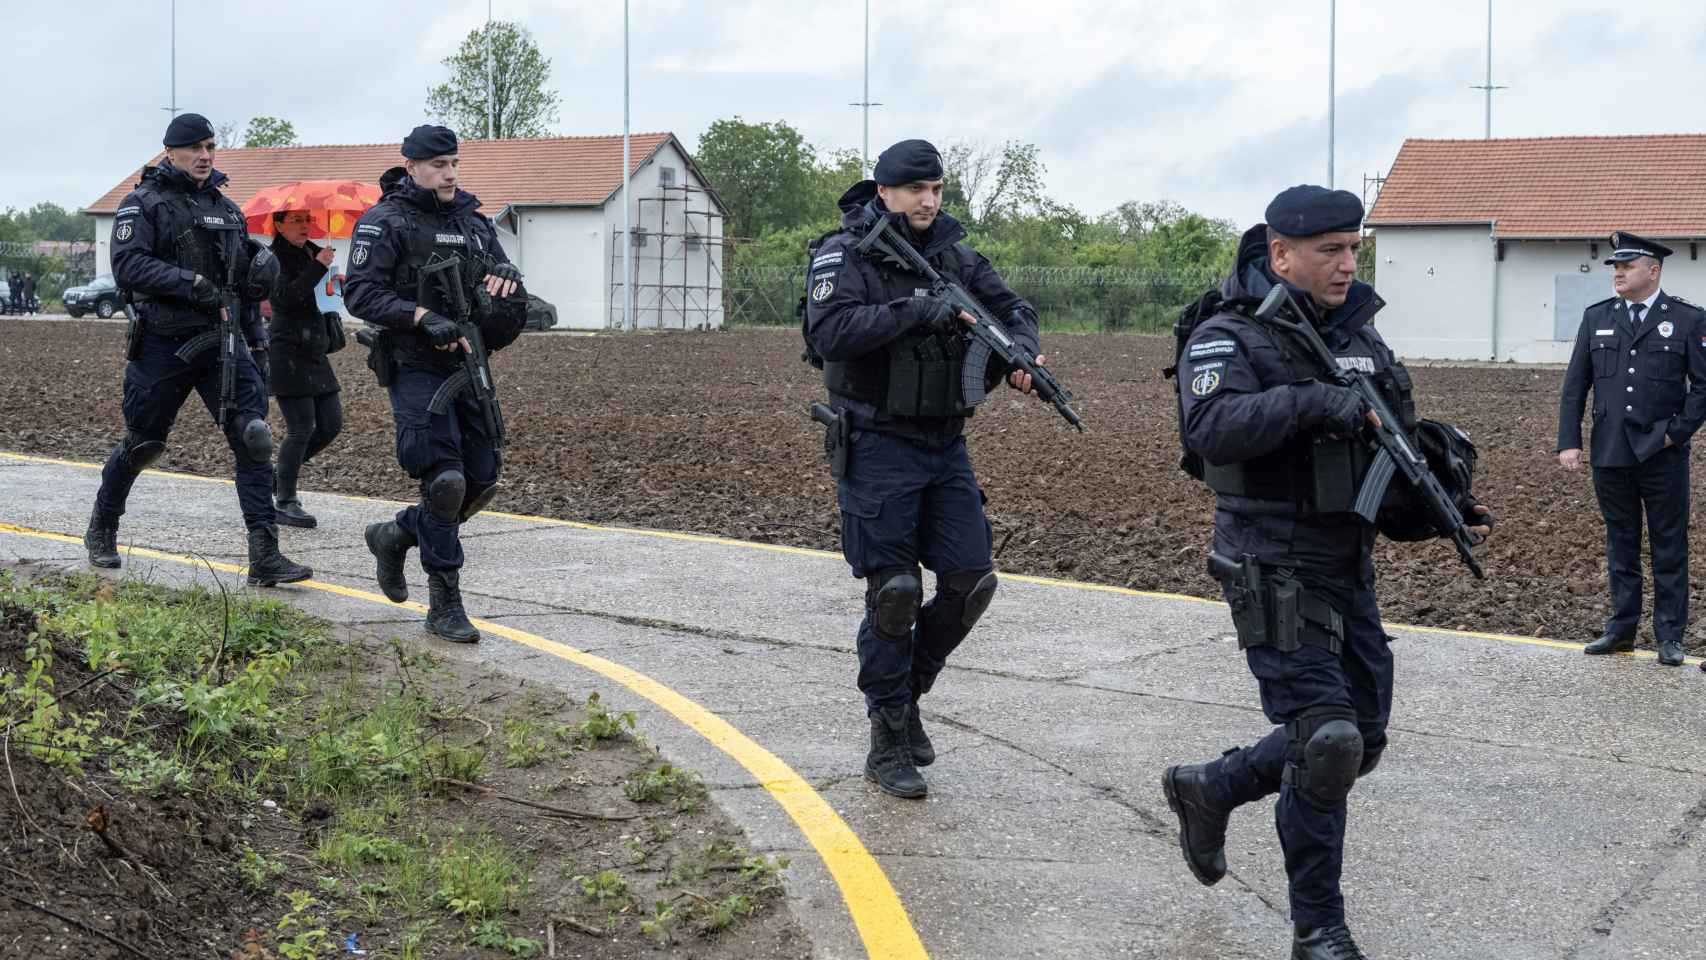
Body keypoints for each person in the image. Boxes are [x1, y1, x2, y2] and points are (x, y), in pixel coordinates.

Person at [1161, 186, 1494, 960]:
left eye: (1354, 248)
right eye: (1331, 251)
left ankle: (1213, 786)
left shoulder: (1358, 337)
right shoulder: (1229, 334)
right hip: (1269, 559)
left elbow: (1390, 450)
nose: (1348, 264)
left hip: (1347, 562)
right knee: (1328, 741)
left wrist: (1442, 504)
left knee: (1363, 739)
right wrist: (1312, 402)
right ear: (1281, 254)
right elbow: (1210, 426)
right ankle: (1319, 929)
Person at [802, 138, 1045, 799]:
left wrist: (1022, 352)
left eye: (936, 188)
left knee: (971, 582)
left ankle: (906, 693)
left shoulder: (955, 254)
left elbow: (1014, 308)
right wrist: (917, 310)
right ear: (884, 191)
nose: (929, 200)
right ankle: (886, 740)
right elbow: (829, 332)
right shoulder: (844, 253)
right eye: (916, 190)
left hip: (945, 447)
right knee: (896, 593)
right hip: (877, 445)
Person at [83, 112, 310, 587]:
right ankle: (103, 525)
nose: (205, 156)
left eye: (210, 147)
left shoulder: (226, 209)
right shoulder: (142, 204)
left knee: (255, 438)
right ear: (170, 152)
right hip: (164, 345)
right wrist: (191, 284)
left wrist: (257, 330)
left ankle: (264, 555)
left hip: (224, 343)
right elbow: (129, 266)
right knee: (144, 444)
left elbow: (241, 283)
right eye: (195, 148)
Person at [343, 124, 529, 643]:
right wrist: (421, 316)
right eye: (438, 165)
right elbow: (360, 293)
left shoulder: (474, 223)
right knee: (445, 482)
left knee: (481, 480)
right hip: (416, 364)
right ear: (412, 168)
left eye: (454, 164)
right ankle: (444, 603)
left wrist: (506, 288)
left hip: (472, 364)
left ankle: (396, 533)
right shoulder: (386, 222)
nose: (449, 174)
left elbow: (503, 282)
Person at [1557, 232, 1706, 667]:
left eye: (1627, 266)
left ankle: (1669, 636)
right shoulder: (1596, 317)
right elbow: (1575, 386)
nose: (1617, 273)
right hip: (1610, 450)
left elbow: (1702, 387)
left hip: (1662, 453)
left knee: (1668, 544)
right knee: (1620, 542)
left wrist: (1675, 434)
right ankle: (1621, 630)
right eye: (1615, 267)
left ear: (1653, 270)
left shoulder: (1686, 319)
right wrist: (1569, 441)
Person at [265, 210, 346, 528]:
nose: (304, 226)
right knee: (300, 429)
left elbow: (320, 298)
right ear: (279, 225)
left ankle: (277, 476)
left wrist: (336, 284)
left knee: (331, 425)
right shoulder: (272, 259)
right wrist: (319, 268)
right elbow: (286, 298)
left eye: (306, 220)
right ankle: (285, 500)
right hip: (287, 352)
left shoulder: (315, 251)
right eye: (296, 220)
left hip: (315, 351)